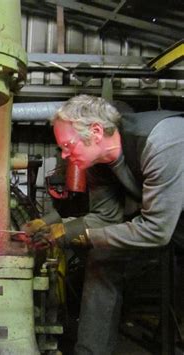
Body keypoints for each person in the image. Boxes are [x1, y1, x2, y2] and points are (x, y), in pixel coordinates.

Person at [25, 95, 184, 354]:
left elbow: (156, 231)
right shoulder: (99, 163)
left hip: (169, 225)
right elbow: (106, 217)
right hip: (171, 223)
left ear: (96, 132)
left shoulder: (160, 141)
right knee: (103, 258)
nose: (64, 155)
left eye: (67, 145)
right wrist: (60, 230)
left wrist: (87, 237)